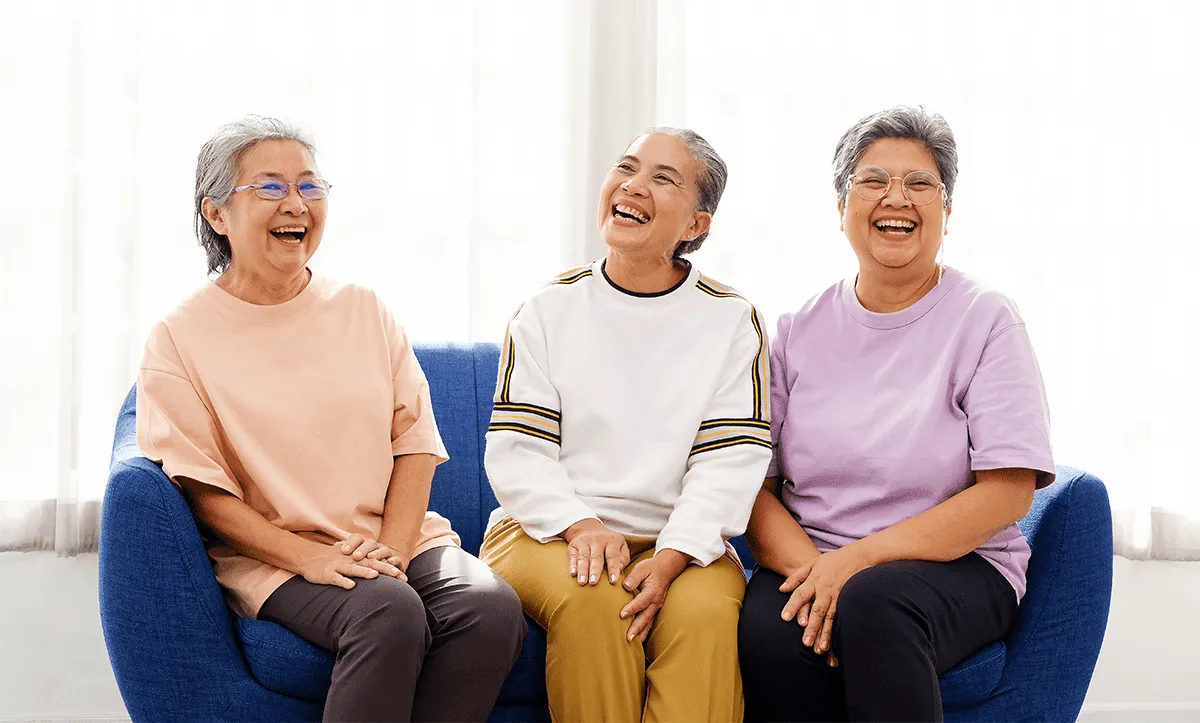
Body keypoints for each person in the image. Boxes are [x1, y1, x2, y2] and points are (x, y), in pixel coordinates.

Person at [135, 115, 525, 722]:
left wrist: (394, 550)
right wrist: (308, 557)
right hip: (277, 555)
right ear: (216, 214)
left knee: (489, 608)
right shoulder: (178, 337)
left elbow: (416, 443)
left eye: (310, 186)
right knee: (387, 612)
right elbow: (204, 493)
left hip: (394, 539)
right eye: (269, 187)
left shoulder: (363, 309)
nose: (296, 204)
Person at [737, 106, 1055, 723]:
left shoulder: (986, 319)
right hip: (817, 555)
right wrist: (816, 575)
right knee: (769, 634)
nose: (896, 198)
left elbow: (1009, 491)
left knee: (874, 605)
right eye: (873, 180)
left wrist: (850, 568)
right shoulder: (797, 331)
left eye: (919, 183)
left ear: (947, 210)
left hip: (957, 565)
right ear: (841, 207)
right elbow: (755, 487)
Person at [480, 127, 770, 722]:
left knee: (706, 616)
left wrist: (669, 559)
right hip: (547, 531)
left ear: (697, 224)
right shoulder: (546, 310)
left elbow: (729, 464)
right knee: (596, 602)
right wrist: (583, 526)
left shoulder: (731, 320)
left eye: (664, 179)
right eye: (627, 168)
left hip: (686, 544)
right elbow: (517, 453)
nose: (634, 186)